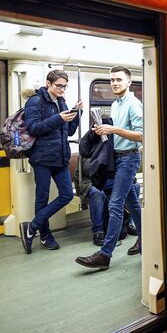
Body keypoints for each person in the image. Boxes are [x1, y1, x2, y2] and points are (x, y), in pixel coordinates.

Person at [75, 66, 143, 270]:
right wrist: (101, 131)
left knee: (115, 204)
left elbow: (141, 135)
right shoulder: (114, 105)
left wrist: (113, 129)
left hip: (129, 158)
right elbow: (116, 134)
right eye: (112, 80)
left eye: (119, 80)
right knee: (132, 204)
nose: (114, 83)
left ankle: (105, 254)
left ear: (129, 82)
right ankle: (145, 240)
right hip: (116, 159)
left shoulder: (134, 104)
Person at [19, 70, 83, 254]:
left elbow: (69, 131)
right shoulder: (35, 101)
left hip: (60, 156)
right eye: (59, 85)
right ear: (49, 83)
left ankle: (31, 227)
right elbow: (33, 128)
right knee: (42, 197)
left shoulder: (61, 102)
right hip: (42, 158)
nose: (62, 89)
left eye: (64, 86)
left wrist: (77, 113)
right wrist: (58, 118)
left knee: (66, 195)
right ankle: (45, 236)